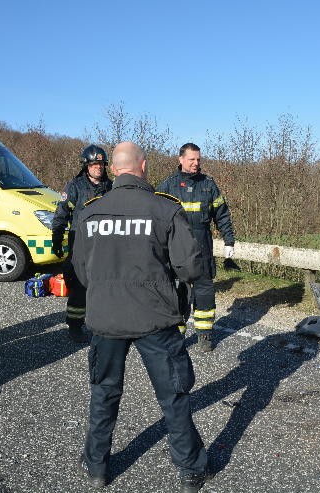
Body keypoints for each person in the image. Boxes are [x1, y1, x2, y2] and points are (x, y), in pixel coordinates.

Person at [72, 142, 209, 492]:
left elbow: (80, 270)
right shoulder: (165, 209)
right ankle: (190, 468)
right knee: (173, 395)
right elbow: (190, 266)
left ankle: (97, 466)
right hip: (156, 317)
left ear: (115, 169)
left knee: (104, 393)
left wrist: (105, 290)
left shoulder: (89, 212)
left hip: (106, 319)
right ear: (143, 167)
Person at [156, 143, 235, 352]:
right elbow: (155, 218)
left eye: (198, 159)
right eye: (191, 159)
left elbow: (222, 214)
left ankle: (204, 336)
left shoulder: (208, 184)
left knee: (204, 293)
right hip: (175, 249)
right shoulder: (167, 186)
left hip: (202, 248)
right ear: (181, 159)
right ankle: (177, 335)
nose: (196, 163)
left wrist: (229, 241)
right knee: (177, 294)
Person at [51, 145, 113, 342]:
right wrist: (57, 238)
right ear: (87, 165)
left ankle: (100, 323)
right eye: (94, 164)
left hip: (104, 244)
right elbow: (61, 214)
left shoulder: (111, 187)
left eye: (101, 164)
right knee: (78, 286)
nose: (98, 168)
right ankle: (75, 325)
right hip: (80, 242)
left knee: (103, 285)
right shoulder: (75, 187)